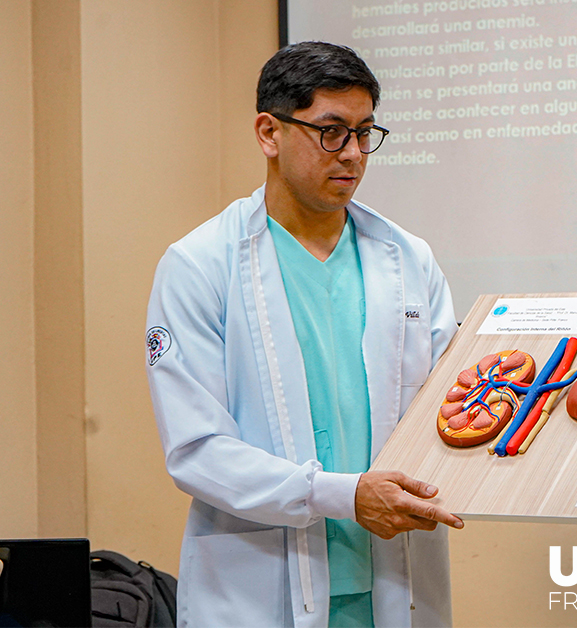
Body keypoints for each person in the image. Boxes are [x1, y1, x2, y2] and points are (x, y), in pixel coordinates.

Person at [145, 42, 464, 628]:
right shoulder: (200, 265)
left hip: (391, 583)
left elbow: (454, 400)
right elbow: (197, 451)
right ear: (269, 132)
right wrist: (341, 496)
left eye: (366, 133)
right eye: (332, 132)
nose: (353, 155)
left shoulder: (408, 259)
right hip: (258, 587)